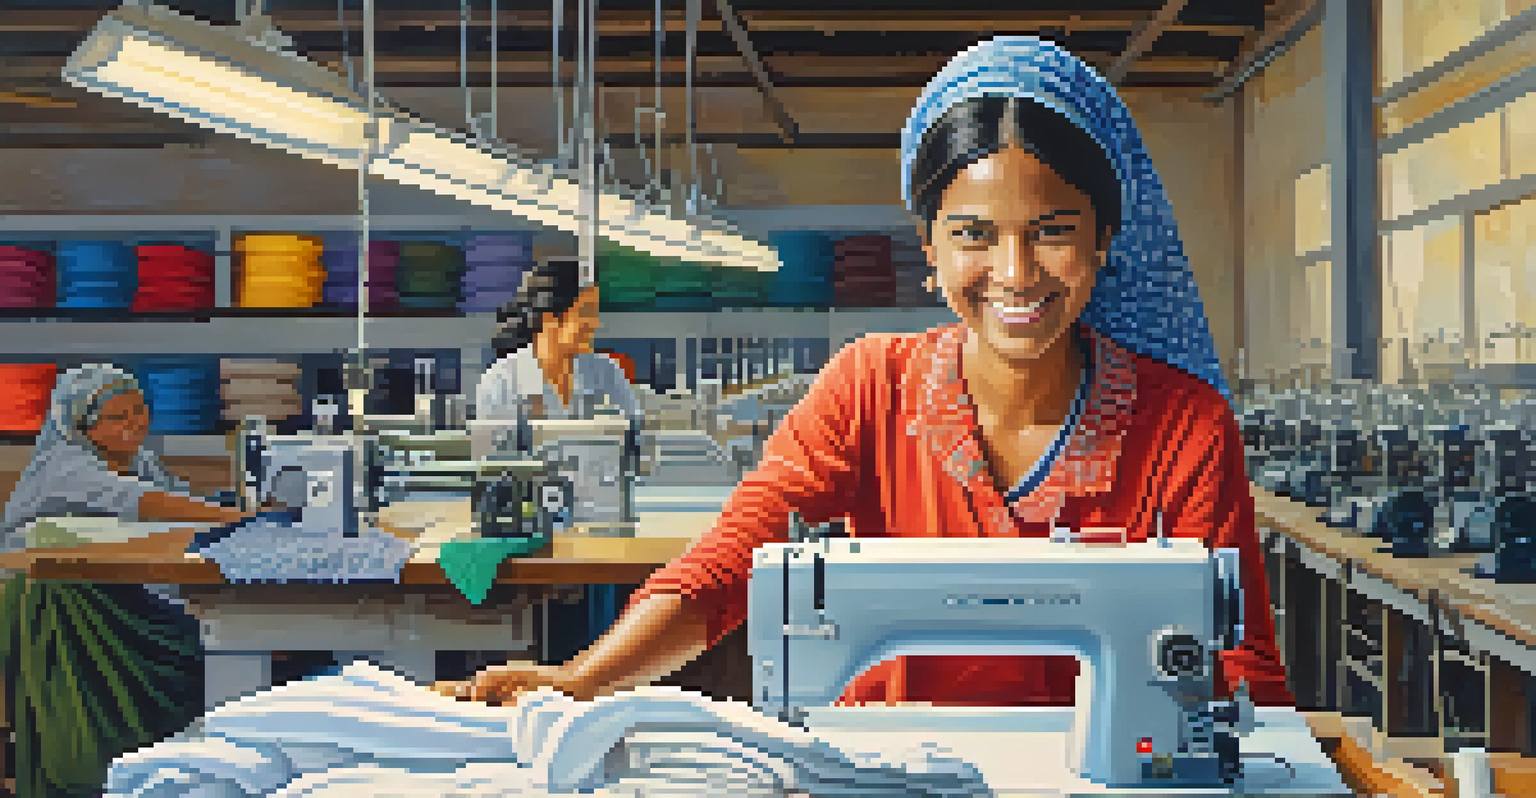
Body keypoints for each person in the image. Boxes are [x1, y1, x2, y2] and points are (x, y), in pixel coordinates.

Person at [442, 37, 1292, 709]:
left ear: (1105, 240)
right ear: (928, 249)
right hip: (891, 769)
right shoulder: (870, 387)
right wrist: (584, 680)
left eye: (1053, 229)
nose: (1016, 270)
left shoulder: (1185, 426)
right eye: (973, 234)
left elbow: (1243, 666)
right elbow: (731, 562)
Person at [0, 364, 249, 797]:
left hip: (110, 592)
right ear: (85, 425)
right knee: (199, 642)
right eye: (118, 417)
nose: (135, 424)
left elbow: (180, 500)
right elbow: (147, 504)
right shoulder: (67, 466)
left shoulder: (138, 460)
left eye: (140, 411)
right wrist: (240, 517)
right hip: (60, 602)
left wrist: (227, 508)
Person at [476, 258, 640, 423]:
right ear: (550, 318)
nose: (595, 323)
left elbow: (635, 436)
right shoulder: (502, 379)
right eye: (585, 313)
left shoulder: (606, 373)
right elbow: (491, 446)